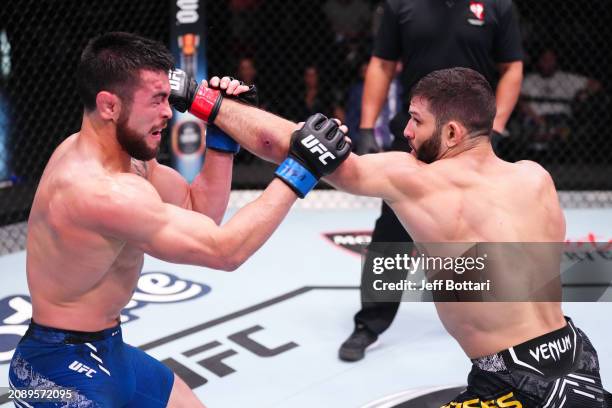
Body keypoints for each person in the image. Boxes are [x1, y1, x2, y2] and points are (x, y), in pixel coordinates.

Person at [179, 67, 611, 407]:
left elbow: (301, 148)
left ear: (453, 133)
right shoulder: (536, 178)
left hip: (513, 387)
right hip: (578, 359)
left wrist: (207, 102)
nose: (405, 130)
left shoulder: (417, 179)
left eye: (416, 121)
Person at [8, 32, 351, 407]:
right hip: (53, 369)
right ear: (109, 105)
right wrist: (302, 167)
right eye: (156, 101)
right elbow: (226, 252)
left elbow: (200, 211)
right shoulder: (98, 191)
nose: (169, 112)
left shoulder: (127, 158)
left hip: (109, 350)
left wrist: (222, 135)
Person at [347, 0, 524, 362]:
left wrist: (498, 125)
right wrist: (367, 124)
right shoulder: (401, 5)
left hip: (472, 139)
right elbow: (382, 63)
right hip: (417, 135)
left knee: (490, 224)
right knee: (392, 230)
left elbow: (512, 68)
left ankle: (504, 318)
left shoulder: (497, 5)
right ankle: (371, 322)